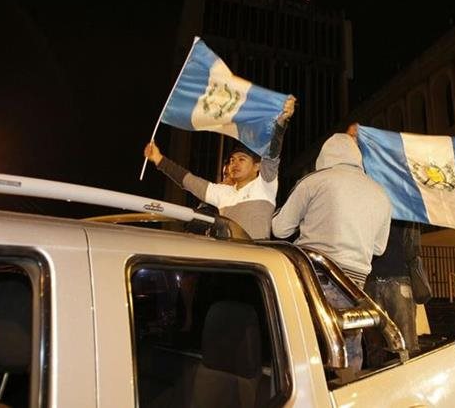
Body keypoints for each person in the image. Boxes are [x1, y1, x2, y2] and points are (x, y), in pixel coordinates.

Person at [272, 132, 391, 374]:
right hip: (355, 285)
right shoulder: (380, 193)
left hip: (315, 276)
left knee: (307, 350)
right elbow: (379, 247)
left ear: (324, 155)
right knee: (349, 351)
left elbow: (280, 229)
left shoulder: (314, 181)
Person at [144, 95, 295, 239]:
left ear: (257, 166)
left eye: (241, 159)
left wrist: (281, 123)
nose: (234, 164)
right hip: (227, 259)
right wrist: (158, 159)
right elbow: (189, 181)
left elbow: (272, 154)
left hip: (255, 261)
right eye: (232, 160)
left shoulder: (264, 185)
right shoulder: (222, 192)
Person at [364, 220, 421, 367]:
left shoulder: (404, 209)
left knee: (406, 340)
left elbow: (413, 246)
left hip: (398, 276)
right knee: (373, 341)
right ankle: (376, 380)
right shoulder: (369, 204)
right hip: (371, 278)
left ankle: (410, 378)